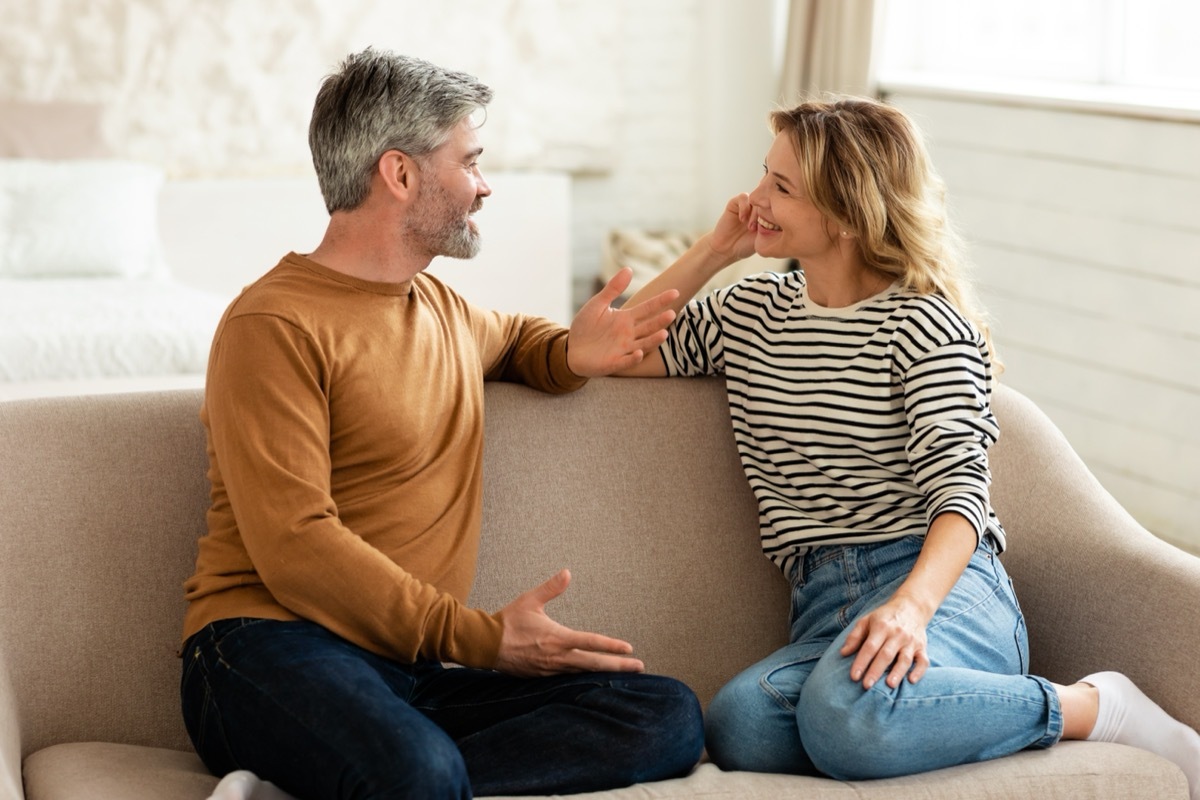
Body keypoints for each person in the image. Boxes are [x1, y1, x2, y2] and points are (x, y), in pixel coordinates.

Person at [617, 96, 1200, 795]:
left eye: (781, 187)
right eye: (761, 175)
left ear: (844, 213)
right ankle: (907, 715)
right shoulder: (747, 314)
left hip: (943, 591)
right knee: (741, 724)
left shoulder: (925, 324)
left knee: (844, 715)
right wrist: (715, 250)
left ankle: (1092, 708)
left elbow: (962, 496)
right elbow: (611, 350)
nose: (753, 199)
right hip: (821, 602)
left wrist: (910, 608)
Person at [179, 48, 704, 800]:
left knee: (665, 716)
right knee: (416, 770)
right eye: (470, 161)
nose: (483, 187)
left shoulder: (445, 311)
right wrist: (482, 640)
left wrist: (573, 353)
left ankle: (349, 784)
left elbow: (524, 342)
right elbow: (296, 545)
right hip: (265, 648)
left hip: (403, 673)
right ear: (400, 174)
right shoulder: (273, 322)